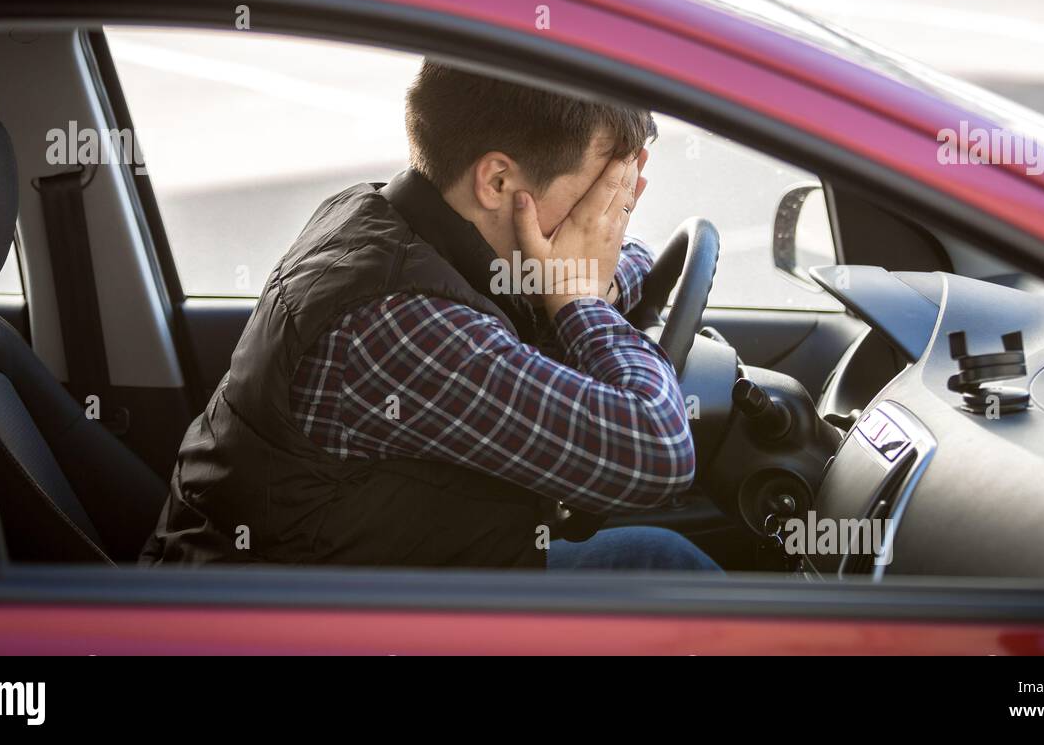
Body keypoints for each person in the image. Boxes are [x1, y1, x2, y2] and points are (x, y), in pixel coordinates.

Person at [140, 60, 719, 572]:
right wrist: (580, 301)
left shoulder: (383, 213)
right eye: (599, 190)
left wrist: (590, 282)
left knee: (661, 562)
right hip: (290, 632)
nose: (605, 215)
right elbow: (657, 453)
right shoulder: (398, 322)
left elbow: (616, 254)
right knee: (677, 579)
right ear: (497, 181)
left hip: (397, 573)